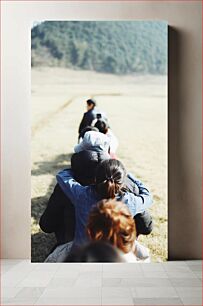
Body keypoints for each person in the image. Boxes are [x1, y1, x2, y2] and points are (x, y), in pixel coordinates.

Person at [56, 159, 153, 249]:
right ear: (122, 183)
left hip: (82, 254)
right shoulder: (130, 202)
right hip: (115, 256)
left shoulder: (81, 195)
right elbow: (148, 197)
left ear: (95, 179)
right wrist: (132, 177)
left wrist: (79, 168)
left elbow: (62, 176)